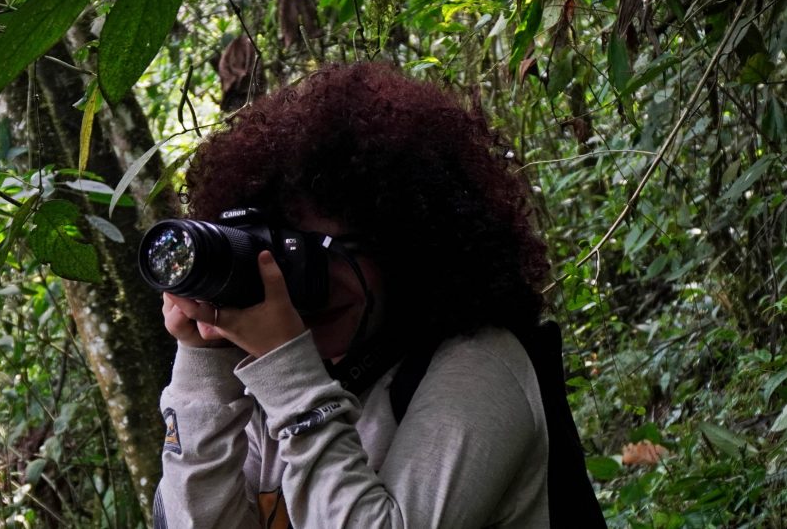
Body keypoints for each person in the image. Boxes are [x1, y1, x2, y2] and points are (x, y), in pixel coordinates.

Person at [153, 62, 552, 528]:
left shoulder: (479, 366)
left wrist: (288, 369)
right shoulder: (270, 393)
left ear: (405, 246)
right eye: (286, 258)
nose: (313, 286)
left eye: (326, 253)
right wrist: (203, 364)